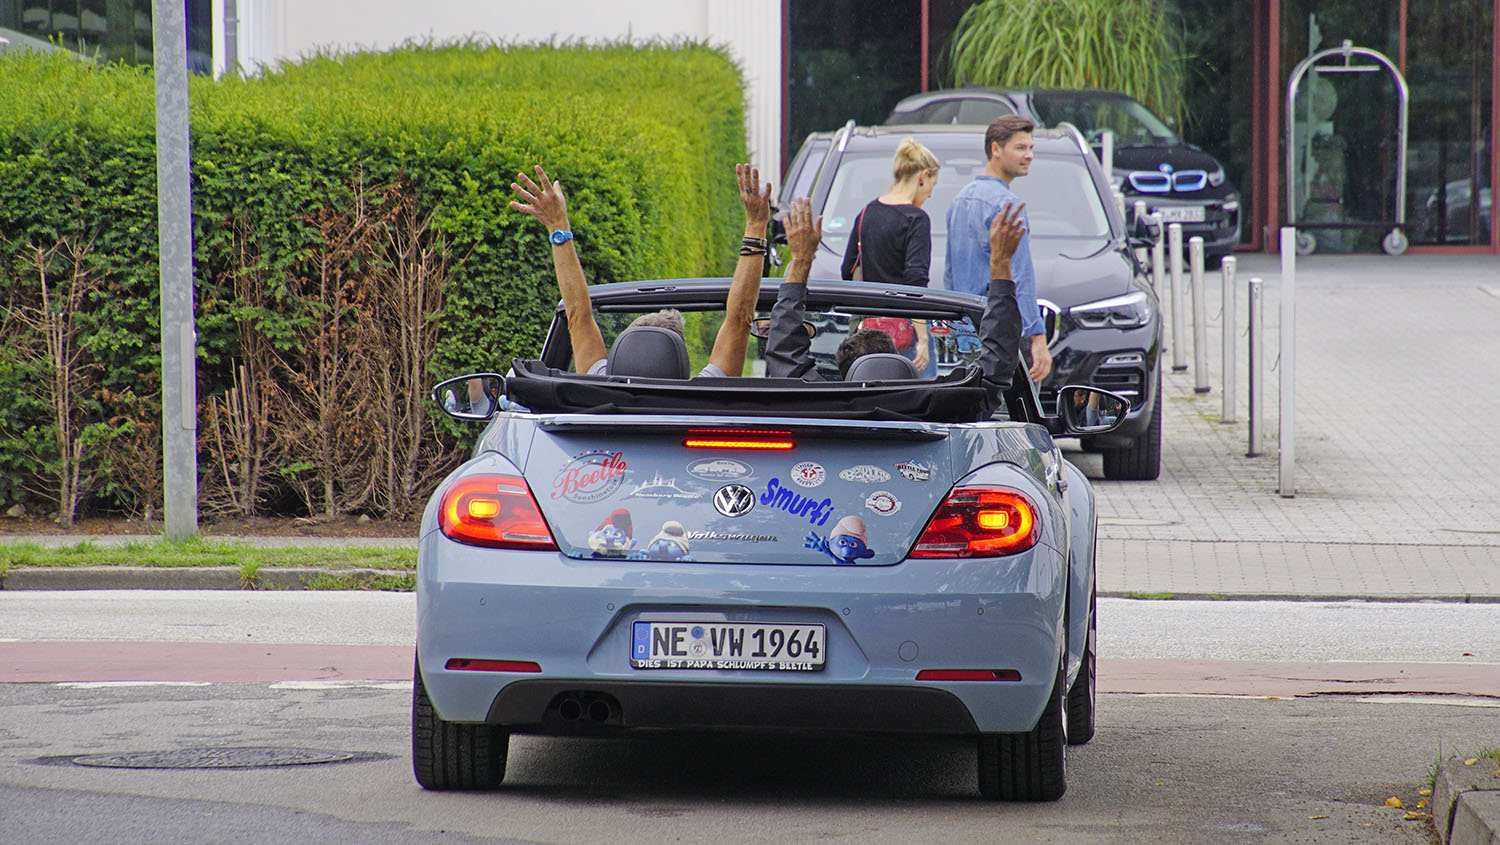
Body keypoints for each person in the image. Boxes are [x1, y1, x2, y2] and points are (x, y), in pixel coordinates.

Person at [508, 163, 772, 377]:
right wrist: (756, 225)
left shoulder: (598, 388)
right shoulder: (706, 395)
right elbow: (740, 319)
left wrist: (557, 225)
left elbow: (577, 312)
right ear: (679, 356)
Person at [769, 196, 1026, 404]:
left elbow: (784, 352)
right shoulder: (943, 412)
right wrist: (1000, 263)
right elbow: (997, 363)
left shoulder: (816, 406)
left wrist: (801, 261)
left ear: (846, 372)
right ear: (899, 363)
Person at [944, 115, 1053, 384]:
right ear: (995, 149)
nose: (1028, 155)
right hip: (1004, 336)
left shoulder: (959, 201)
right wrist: (1036, 338)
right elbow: (1020, 278)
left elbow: (950, 275)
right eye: (1020, 148)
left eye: (1031, 148)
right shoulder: (1007, 206)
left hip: (966, 334)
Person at [840, 138, 941, 376]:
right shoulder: (916, 219)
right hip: (905, 334)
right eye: (932, 185)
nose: (930, 194)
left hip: (867, 334)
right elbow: (916, 283)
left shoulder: (867, 212)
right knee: (917, 402)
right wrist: (923, 340)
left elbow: (848, 270)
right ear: (923, 176)